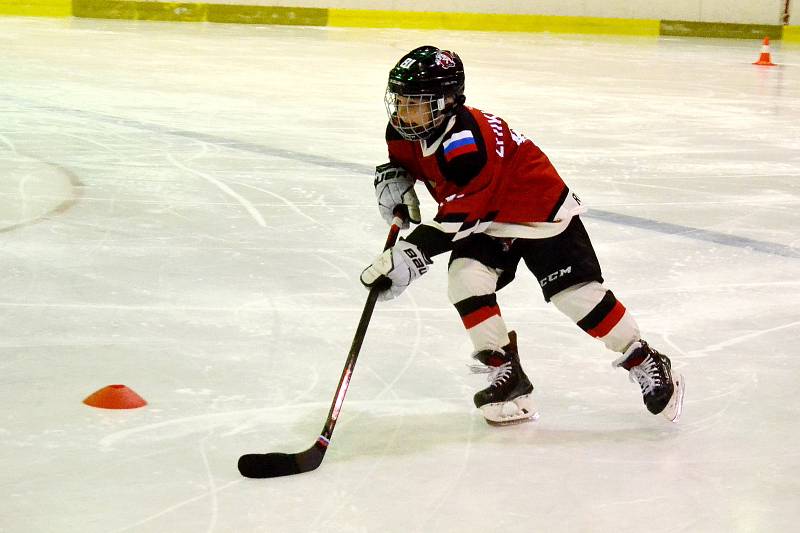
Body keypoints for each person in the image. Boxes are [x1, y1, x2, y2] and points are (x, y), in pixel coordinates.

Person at [360, 45, 685, 426]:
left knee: (576, 297)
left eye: (415, 103)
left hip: (537, 211)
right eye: (399, 100)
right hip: (487, 218)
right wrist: (397, 175)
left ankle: (644, 358)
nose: (402, 112)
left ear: (447, 102)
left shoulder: (466, 146)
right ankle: (507, 373)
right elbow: (413, 165)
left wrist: (411, 255)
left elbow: (459, 216)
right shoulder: (401, 132)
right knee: (465, 279)